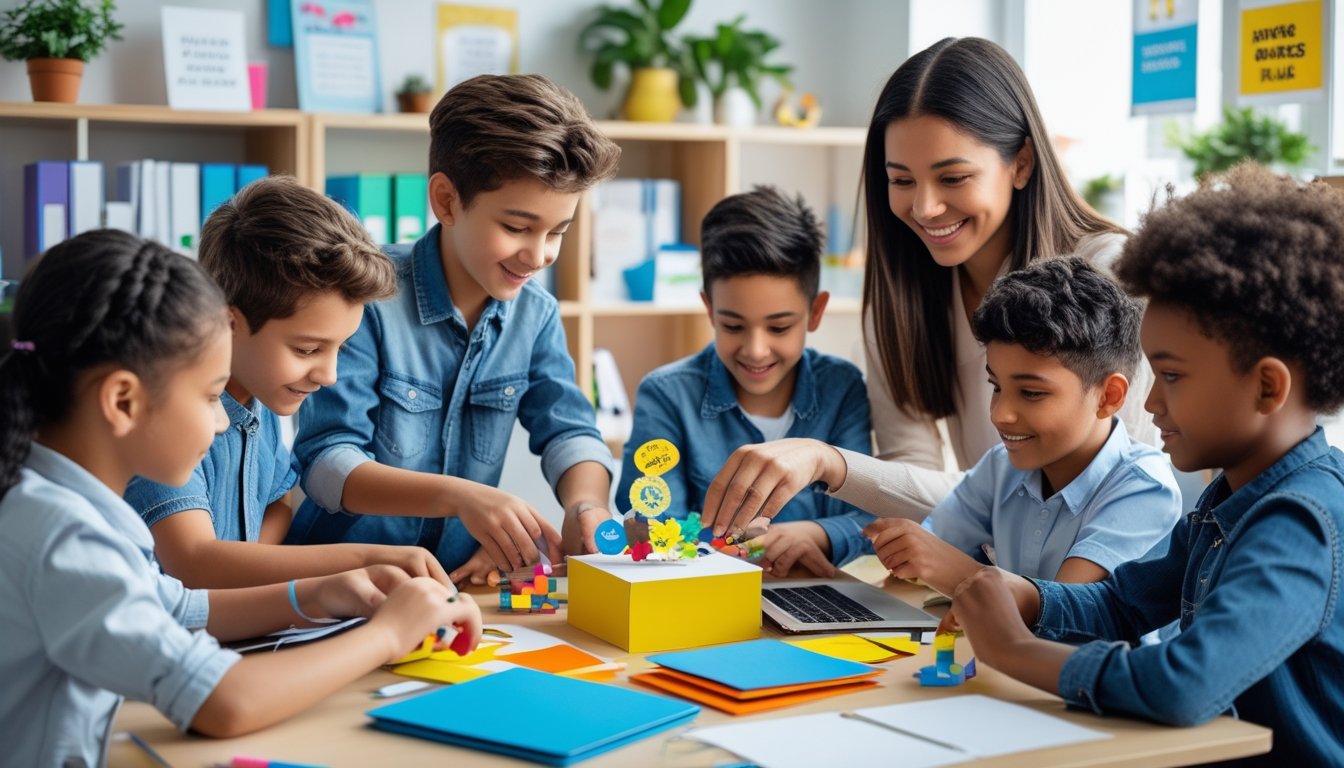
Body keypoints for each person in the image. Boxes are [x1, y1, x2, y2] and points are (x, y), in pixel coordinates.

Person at [0, 231, 480, 767]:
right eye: (210, 396)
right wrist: (389, 636)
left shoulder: (63, 506)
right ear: (122, 400)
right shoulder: (63, 535)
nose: (222, 418)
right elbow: (222, 702)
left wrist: (320, 594)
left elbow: (176, 608)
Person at [947, 165, 1344, 766]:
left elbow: (1183, 684)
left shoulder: (1300, 522)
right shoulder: (1230, 501)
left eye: (1174, 376)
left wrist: (1012, 647)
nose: (1152, 401)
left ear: (1267, 388)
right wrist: (1030, 597)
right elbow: (1126, 604)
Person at [700, 37, 1154, 537]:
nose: (924, 208)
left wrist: (830, 463)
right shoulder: (900, 300)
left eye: (953, 177)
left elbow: (1107, 490)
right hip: (987, 578)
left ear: (1021, 162)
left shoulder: (1112, 276)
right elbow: (915, 490)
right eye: (901, 180)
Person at [286, 74, 622, 584]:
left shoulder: (537, 314)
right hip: (339, 585)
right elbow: (327, 464)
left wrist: (585, 506)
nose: (539, 255)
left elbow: (570, 432)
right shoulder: (364, 300)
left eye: (557, 232)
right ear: (446, 201)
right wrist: (461, 498)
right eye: (516, 228)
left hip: (453, 587)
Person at [123, 176, 452, 588]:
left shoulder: (260, 398)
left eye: (340, 348)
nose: (329, 375)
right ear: (228, 324)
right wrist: (368, 559)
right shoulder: (169, 414)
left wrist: (249, 567)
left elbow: (279, 500)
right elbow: (194, 561)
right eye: (307, 350)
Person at [866, 258, 1180, 595]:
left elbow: (1063, 612)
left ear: (1108, 396)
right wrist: (908, 553)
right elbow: (922, 562)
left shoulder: (1145, 489)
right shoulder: (1000, 467)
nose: (1001, 415)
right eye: (996, 386)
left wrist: (950, 568)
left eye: (1031, 393)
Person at [616, 187, 874, 576]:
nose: (756, 350)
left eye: (779, 327)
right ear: (709, 310)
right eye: (733, 325)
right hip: (704, 599)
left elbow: (868, 517)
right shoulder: (667, 395)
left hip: (813, 599)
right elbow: (650, 526)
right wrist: (745, 548)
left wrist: (812, 534)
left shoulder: (842, 387)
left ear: (815, 312)